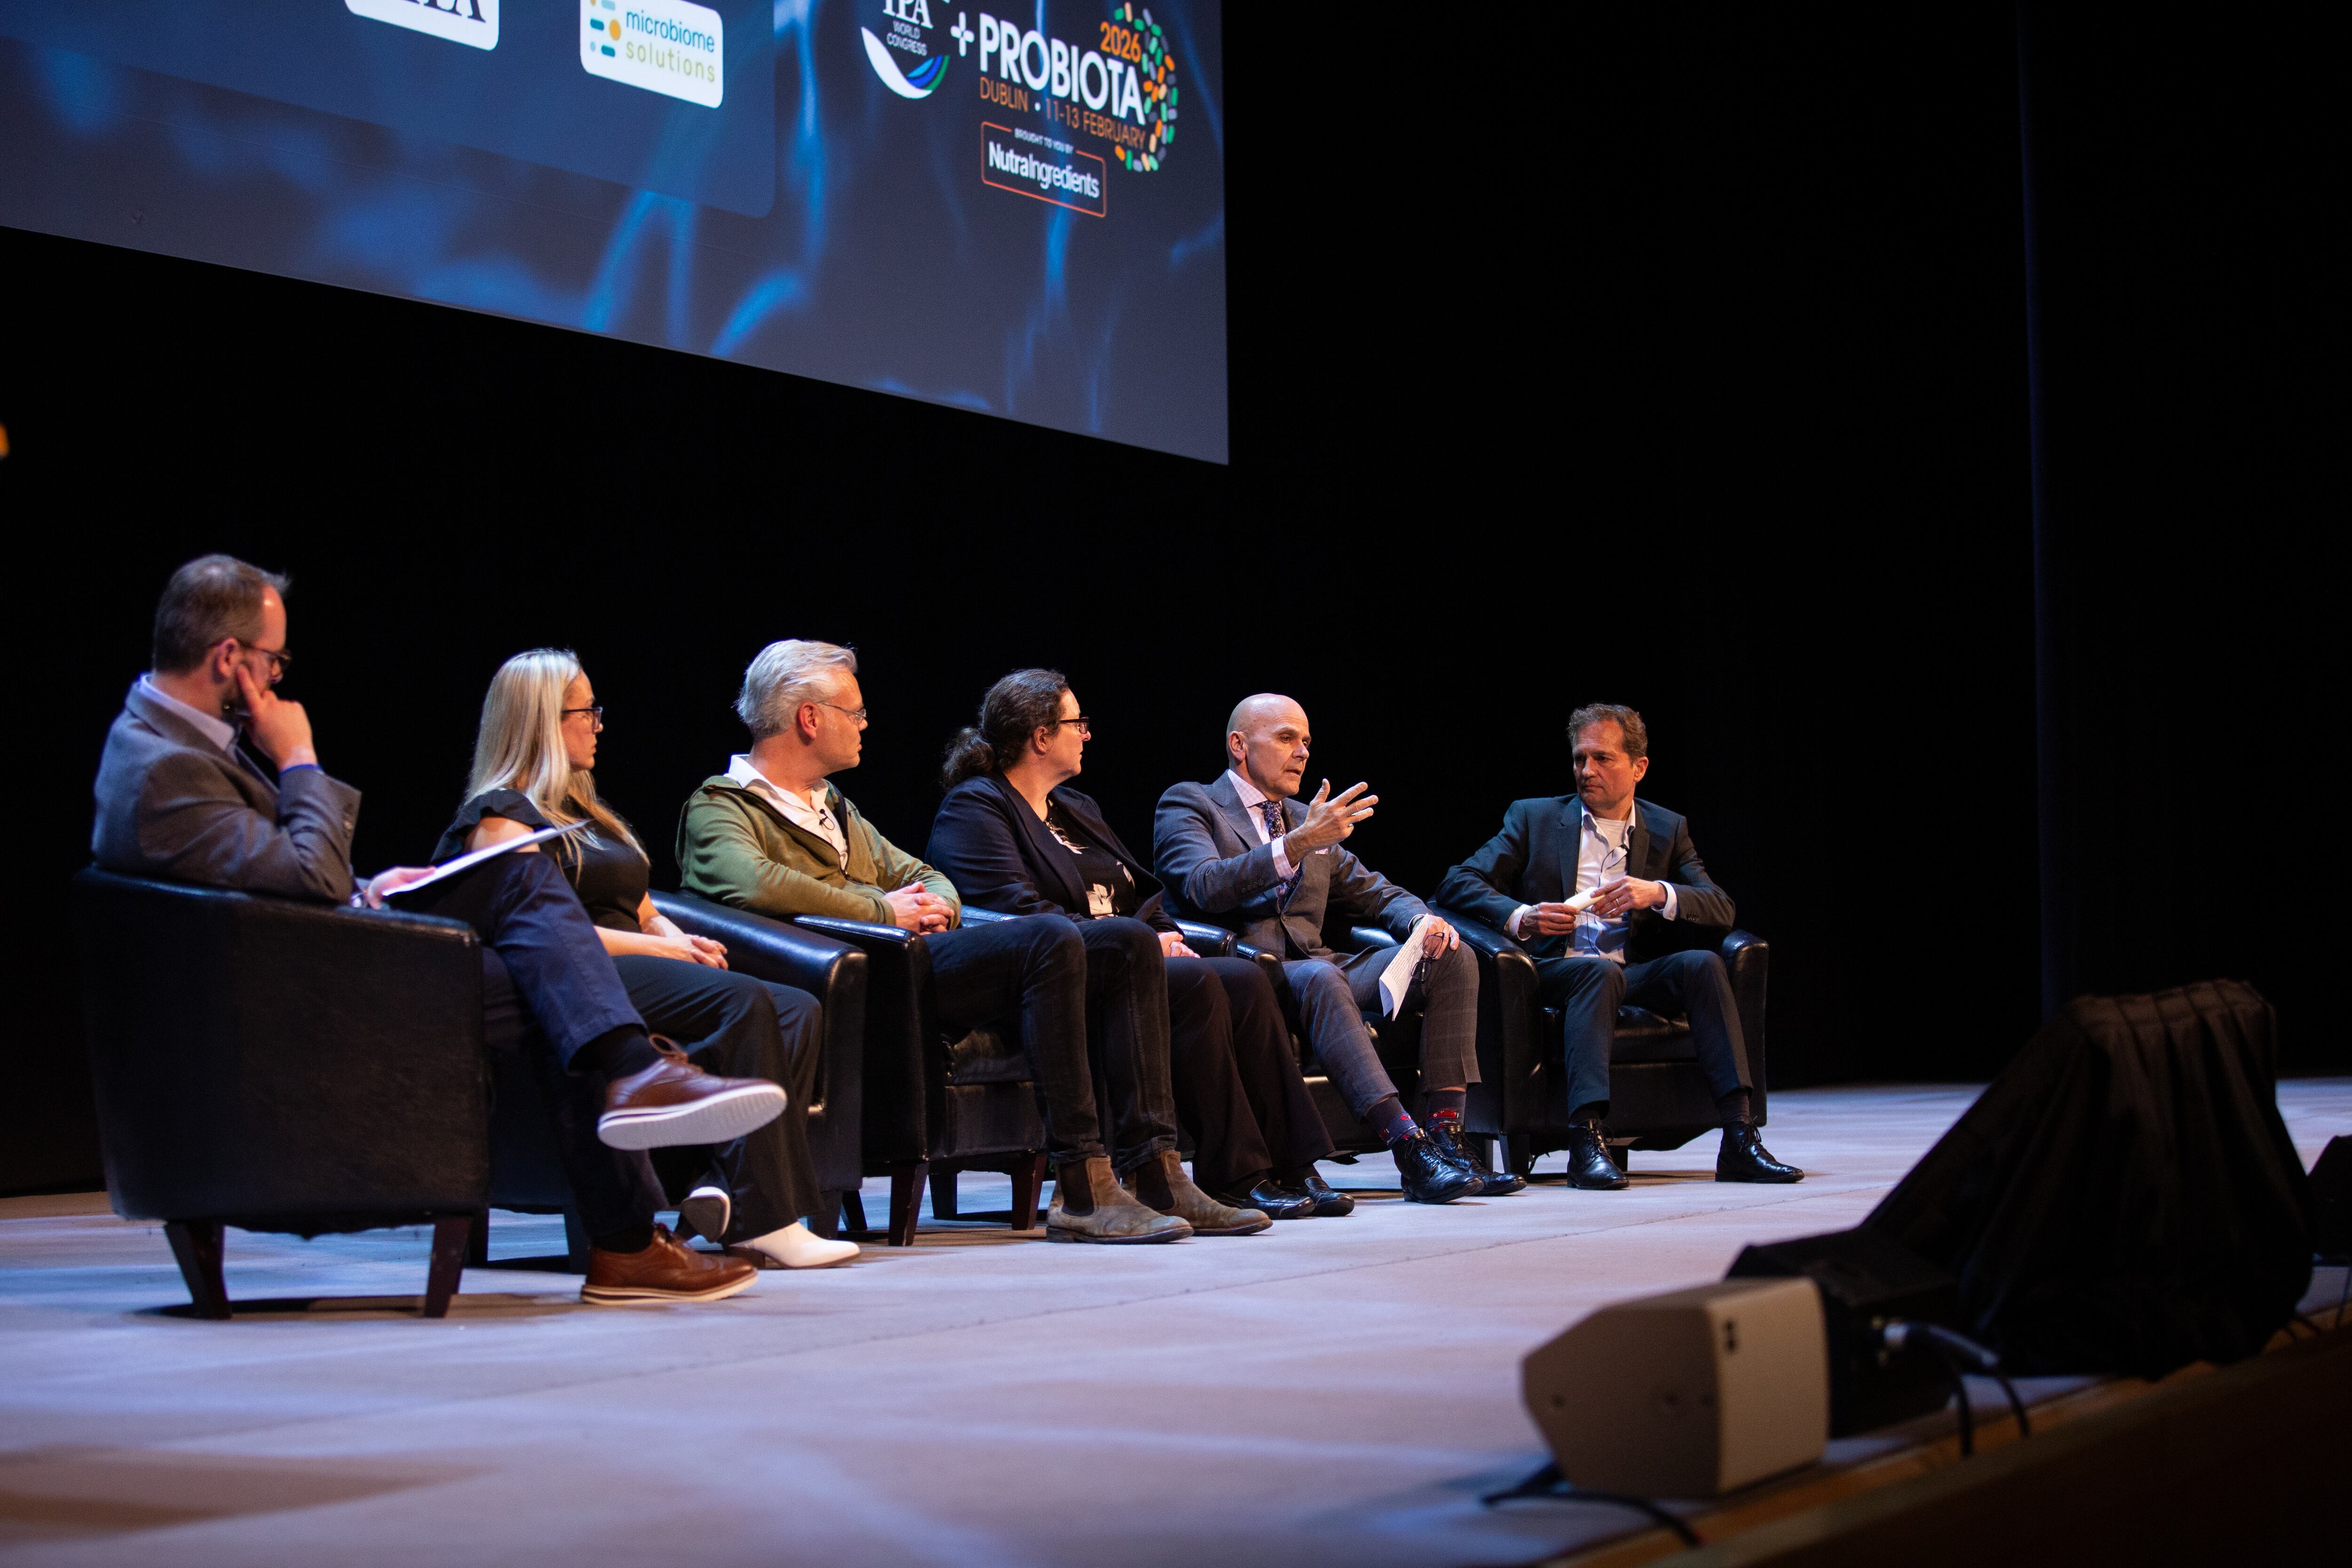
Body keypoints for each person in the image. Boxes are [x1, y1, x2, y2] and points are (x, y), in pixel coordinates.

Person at [91, 555, 782, 1306]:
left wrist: (367, 889)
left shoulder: (164, 742)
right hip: (292, 993)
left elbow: (269, 874)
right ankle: (634, 1169)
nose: (279, 679)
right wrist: (298, 760)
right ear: (230, 658)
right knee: (534, 927)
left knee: (535, 937)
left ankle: (632, 1171)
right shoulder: (162, 766)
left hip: (311, 950)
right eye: (274, 661)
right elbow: (303, 877)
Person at [676, 639, 1210, 1244]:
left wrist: (931, 907)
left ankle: (1154, 1169)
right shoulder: (722, 806)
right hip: (853, 979)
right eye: (854, 713)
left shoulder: (834, 809)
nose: (864, 725)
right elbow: (751, 882)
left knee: (1124, 941)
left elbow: (927, 877)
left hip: (908, 963)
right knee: (1049, 937)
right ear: (809, 718)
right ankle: (1082, 1185)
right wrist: (881, 909)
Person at [435, 650, 859, 1270]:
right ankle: (767, 1218)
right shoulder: (501, 819)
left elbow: (638, 904)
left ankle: (723, 1186)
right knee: (744, 999)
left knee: (796, 1007)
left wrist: (669, 931)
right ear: (543, 720)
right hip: (584, 973)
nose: (599, 724)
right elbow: (546, 937)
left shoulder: (587, 813)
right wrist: (661, 946)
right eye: (587, 711)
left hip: (635, 956)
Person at [928, 670, 1343, 1223]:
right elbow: (1016, 914)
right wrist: (1138, 941)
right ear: (1040, 736)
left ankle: (1288, 1166)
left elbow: (1142, 891)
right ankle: (1217, 1173)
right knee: (1194, 981)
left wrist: (1163, 933)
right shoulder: (977, 807)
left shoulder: (1074, 807)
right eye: (1077, 723)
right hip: (1056, 970)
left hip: (1123, 958)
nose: (1088, 735)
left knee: (1240, 978)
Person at [1154, 695, 1521, 1204]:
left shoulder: (1307, 819)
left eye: (1305, 741)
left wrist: (1421, 920)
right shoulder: (1191, 803)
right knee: (1321, 977)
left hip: (1319, 966)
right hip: (1247, 974)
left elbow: (1374, 890)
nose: (1301, 752)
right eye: (1285, 738)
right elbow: (1202, 884)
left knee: (1451, 955)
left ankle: (1446, 1138)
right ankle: (1406, 1146)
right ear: (1238, 745)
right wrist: (1297, 845)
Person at [1435, 702, 1801, 1188]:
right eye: (1579, 759)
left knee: (1702, 965)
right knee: (1596, 972)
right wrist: (1524, 917)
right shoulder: (1535, 818)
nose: (1587, 771)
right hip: (1554, 974)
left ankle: (1740, 1136)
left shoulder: (1668, 829)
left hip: (1632, 974)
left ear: (1638, 767)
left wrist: (1659, 893)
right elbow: (1456, 882)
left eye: (1602, 759)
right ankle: (1586, 1140)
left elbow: (1719, 906)